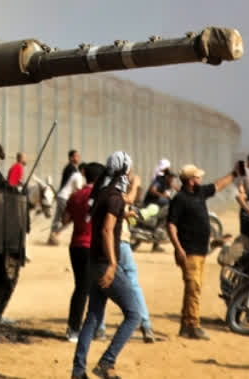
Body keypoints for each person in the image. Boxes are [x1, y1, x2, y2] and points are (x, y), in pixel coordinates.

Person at [72, 152, 143, 379]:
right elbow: (106, 230)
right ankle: (107, 362)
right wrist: (113, 264)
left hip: (94, 262)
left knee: (93, 317)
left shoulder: (104, 193)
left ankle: (78, 369)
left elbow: (120, 206)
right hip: (104, 263)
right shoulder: (114, 197)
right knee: (134, 314)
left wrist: (126, 207)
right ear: (124, 171)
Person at [166, 162, 237, 340]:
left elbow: (218, 185)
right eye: (197, 176)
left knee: (192, 289)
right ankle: (194, 326)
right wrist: (179, 249)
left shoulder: (200, 193)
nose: (201, 178)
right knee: (194, 289)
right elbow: (171, 225)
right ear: (190, 180)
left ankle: (185, 325)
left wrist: (234, 174)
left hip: (200, 251)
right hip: (188, 251)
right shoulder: (180, 199)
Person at [64, 162, 105, 342]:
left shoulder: (75, 195)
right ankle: (80, 329)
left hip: (76, 246)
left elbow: (65, 218)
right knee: (92, 288)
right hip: (93, 246)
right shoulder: (101, 196)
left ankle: (75, 327)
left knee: (80, 286)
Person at [118, 172, 156, 343]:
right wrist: (134, 185)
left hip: (105, 243)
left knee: (101, 285)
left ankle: (100, 328)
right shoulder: (118, 191)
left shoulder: (103, 187)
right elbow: (125, 204)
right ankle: (146, 325)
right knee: (133, 283)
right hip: (120, 242)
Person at [49, 154, 85, 245]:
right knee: (70, 218)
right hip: (64, 197)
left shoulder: (75, 174)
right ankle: (55, 234)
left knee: (57, 218)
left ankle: (51, 237)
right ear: (83, 170)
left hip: (61, 196)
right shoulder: (78, 176)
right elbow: (79, 190)